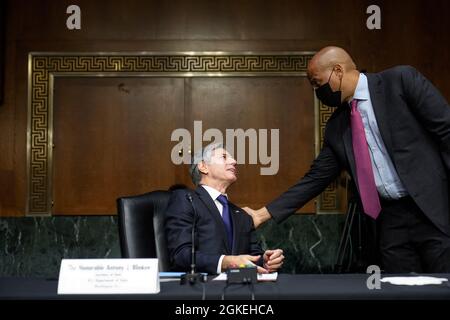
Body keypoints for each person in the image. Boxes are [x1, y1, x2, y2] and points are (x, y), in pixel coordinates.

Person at [244, 46, 450, 273]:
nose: (316, 91)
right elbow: (315, 179)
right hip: (390, 221)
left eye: (316, 82)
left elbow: (446, 131)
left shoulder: (400, 81)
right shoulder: (336, 127)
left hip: (433, 210)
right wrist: (261, 214)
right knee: (399, 291)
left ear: (338, 71)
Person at [165, 142, 284, 275]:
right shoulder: (186, 199)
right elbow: (180, 255)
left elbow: (253, 256)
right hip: (202, 290)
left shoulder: (242, 215)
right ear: (203, 166)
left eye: (232, 158)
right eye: (224, 157)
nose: (234, 161)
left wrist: (266, 261)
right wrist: (225, 262)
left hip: (241, 290)